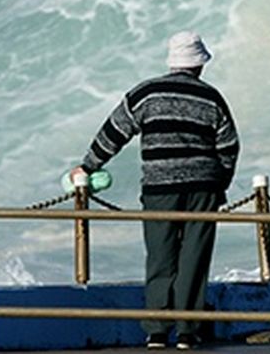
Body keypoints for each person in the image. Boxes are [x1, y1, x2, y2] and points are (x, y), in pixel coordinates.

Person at [71, 31, 239, 350]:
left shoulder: (146, 93)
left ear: (172, 62)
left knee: (161, 255)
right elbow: (229, 146)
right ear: (199, 64)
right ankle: (188, 330)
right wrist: (220, 183)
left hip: (159, 187)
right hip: (203, 187)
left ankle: (158, 330)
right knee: (194, 256)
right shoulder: (212, 98)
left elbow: (113, 132)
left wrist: (88, 166)